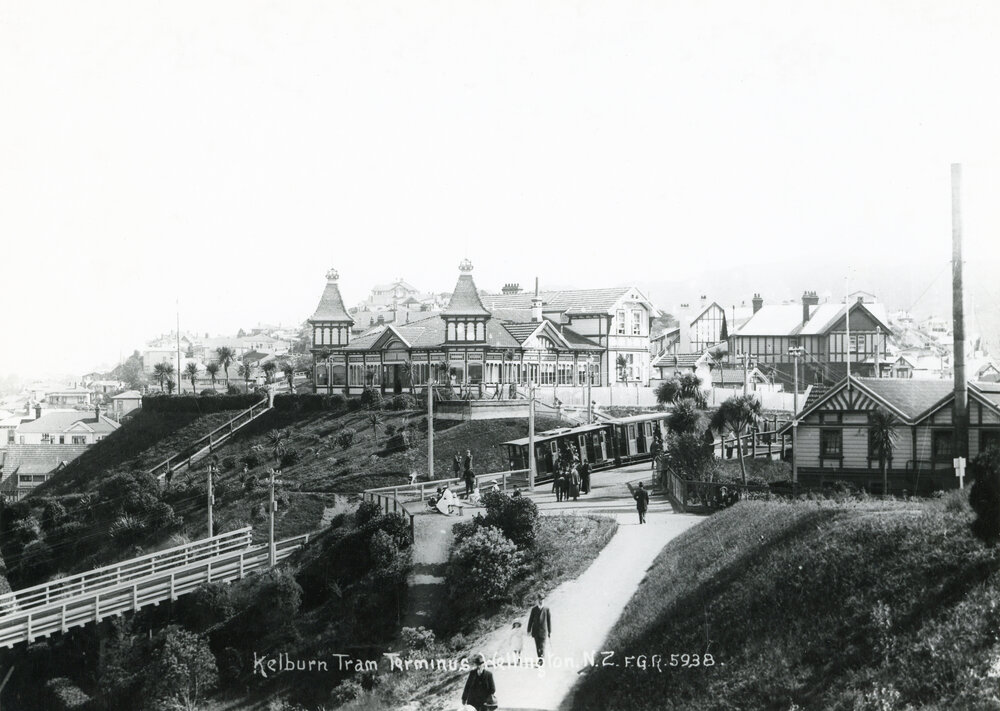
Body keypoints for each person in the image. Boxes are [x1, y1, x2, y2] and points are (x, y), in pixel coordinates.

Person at [526, 596, 552, 666]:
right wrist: (528, 630)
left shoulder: (547, 609)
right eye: (539, 600)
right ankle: (540, 658)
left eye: (542, 600)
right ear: (537, 600)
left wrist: (550, 631)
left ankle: (541, 660)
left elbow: (549, 621)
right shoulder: (534, 609)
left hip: (543, 631)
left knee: (542, 646)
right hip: (535, 631)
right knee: (538, 647)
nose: (541, 601)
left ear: (544, 600)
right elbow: (530, 620)